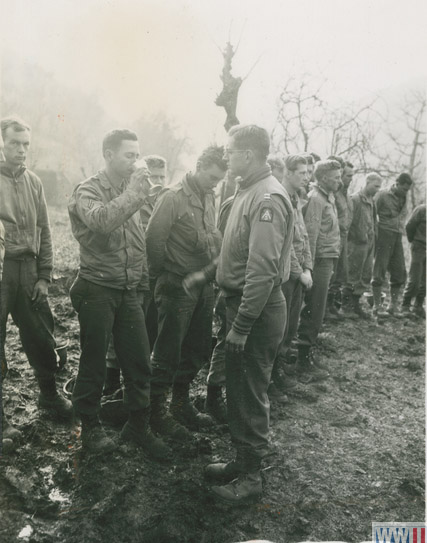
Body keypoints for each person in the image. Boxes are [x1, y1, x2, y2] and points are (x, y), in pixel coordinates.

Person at [205, 125, 294, 505]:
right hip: (242, 303)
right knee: (239, 389)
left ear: (248, 155)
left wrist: (241, 325)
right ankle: (242, 461)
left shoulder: (267, 198)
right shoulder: (248, 189)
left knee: (250, 392)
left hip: (255, 309)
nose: (225, 157)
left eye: (229, 151)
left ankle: (252, 477)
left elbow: (262, 270)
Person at [68, 129, 169, 459]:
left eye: (137, 154)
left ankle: (138, 426)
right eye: (129, 155)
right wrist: (135, 193)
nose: (136, 161)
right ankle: (91, 430)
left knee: (139, 360)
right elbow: (101, 222)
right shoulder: (88, 190)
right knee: (94, 363)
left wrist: (140, 287)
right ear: (108, 155)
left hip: (127, 291)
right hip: (97, 289)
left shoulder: (131, 190)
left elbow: (136, 242)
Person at [145, 146, 227, 438]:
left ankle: (180, 403)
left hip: (203, 284)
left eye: (218, 180)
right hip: (177, 285)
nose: (214, 183)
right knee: (167, 350)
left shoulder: (209, 196)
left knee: (197, 348)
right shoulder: (173, 196)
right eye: (211, 176)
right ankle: (156, 411)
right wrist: (163, 278)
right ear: (198, 165)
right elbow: (154, 240)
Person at [0, 116, 72, 436]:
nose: (21, 150)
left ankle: (49, 395)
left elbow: (45, 229)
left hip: (29, 271)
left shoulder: (34, 181)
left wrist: (44, 276)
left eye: (26, 144)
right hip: (1, 271)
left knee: (41, 333)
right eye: (14, 143)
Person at [103, 155, 168, 397]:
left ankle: (135, 385)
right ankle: (111, 384)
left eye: (162, 176)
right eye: (154, 176)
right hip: (131, 274)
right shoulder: (133, 200)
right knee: (118, 333)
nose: (158, 181)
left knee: (147, 330)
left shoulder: (165, 199)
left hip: (153, 275)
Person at [270, 154, 313, 398]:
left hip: (297, 275)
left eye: (308, 173)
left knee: (291, 326)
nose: (307, 177)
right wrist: (299, 272)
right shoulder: (281, 198)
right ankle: (270, 378)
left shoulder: (296, 199)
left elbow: (303, 237)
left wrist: (307, 267)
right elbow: (286, 246)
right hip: (286, 275)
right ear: (287, 173)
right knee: (280, 327)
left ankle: (278, 371)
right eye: (302, 173)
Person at [296, 160, 341, 380]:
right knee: (314, 309)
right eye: (335, 177)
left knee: (318, 309)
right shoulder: (316, 199)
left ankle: (306, 353)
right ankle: (302, 360)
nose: (340, 182)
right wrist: (309, 268)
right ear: (323, 178)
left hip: (327, 259)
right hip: (320, 260)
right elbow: (310, 236)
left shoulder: (327, 197)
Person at [371, 173, 413, 317]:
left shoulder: (404, 197)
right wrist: (375, 232)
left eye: (407, 190)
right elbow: (371, 212)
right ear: (397, 183)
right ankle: (377, 306)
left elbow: (403, 216)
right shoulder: (382, 195)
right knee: (379, 270)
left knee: (399, 270)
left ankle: (392, 306)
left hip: (397, 235)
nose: (405, 192)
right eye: (404, 188)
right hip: (384, 234)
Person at [344, 173, 383, 318]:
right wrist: (357, 237)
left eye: (379, 187)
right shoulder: (355, 199)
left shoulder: (372, 200)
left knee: (365, 275)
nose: (377, 189)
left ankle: (356, 304)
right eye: (375, 186)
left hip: (369, 243)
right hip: (356, 244)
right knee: (353, 274)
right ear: (367, 183)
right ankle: (346, 305)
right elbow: (349, 222)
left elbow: (373, 221)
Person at [325, 156, 354, 319]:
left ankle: (331, 306)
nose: (348, 178)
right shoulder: (333, 194)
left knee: (340, 273)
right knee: (331, 272)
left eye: (350, 175)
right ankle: (324, 309)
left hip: (344, 237)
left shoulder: (346, 195)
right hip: (334, 237)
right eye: (346, 174)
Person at [402, 204, 426, 318]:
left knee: (425, 280)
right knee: (415, 278)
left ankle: (418, 306)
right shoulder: (421, 210)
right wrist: (414, 241)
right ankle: (405, 305)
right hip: (419, 246)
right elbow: (409, 226)